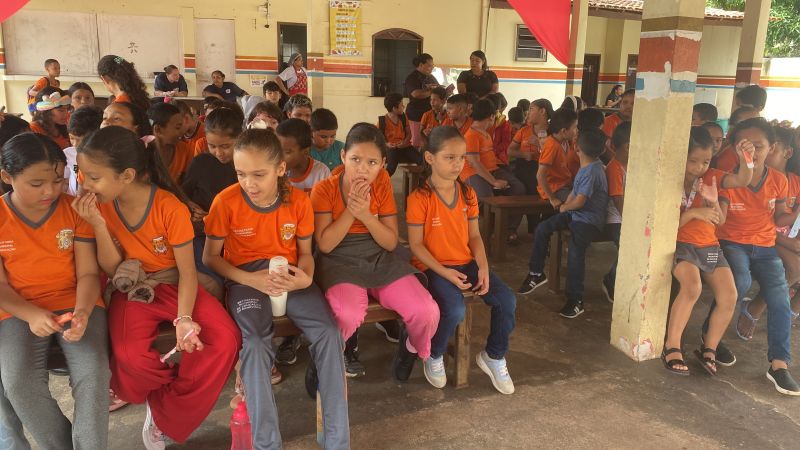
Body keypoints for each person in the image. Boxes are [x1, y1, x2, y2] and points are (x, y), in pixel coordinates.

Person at [72, 126, 241, 447]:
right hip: (132, 290)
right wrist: (96, 224)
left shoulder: (169, 207)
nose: (84, 184)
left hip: (176, 284)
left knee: (226, 340)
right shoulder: (99, 207)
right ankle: (164, 395)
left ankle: (167, 409)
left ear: (126, 175)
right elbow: (113, 269)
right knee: (130, 358)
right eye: (82, 173)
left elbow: (188, 273)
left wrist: (184, 319)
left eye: (93, 177)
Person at [203, 128, 349, 448]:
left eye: (259, 174)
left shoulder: (298, 201)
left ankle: (338, 441)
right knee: (255, 342)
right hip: (245, 279)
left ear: (280, 169)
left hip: (290, 275)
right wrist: (249, 279)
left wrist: (306, 279)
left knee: (328, 333)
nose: (249, 183)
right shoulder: (225, 202)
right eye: (241, 174)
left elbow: (306, 254)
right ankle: (267, 444)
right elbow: (210, 257)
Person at [0, 133, 109, 450]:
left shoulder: (74, 211)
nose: (50, 191)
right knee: (18, 382)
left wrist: (84, 312)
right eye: (36, 183)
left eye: (58, 180)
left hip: (77, 302)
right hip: (18, 309)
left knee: (93, 373)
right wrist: (31, 315)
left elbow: (88, 273)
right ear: (7, 176)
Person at [310, 123, 440, 383]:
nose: (362, 168)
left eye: (372, 162)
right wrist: (352, 211)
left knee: (426, 311)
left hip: (378, 255)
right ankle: (324, 361)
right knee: (346, 314)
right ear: (343, 156)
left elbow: (390, 242)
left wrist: (367, 216)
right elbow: (325, 245)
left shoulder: (381, 184)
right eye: (355, 159)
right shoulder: (325, 189)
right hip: (338, 259)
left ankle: (409, 349)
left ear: (383, 164)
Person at [407, 125, 517, 394]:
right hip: (433, 267)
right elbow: (416, 246)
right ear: (430, 158)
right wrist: (445, 273)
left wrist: (483, 267)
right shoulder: (420, 197)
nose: (458, 164)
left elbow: (475, 236)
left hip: (466, 263)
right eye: (450, 157)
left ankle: (494, 355)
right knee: (455, 309)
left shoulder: (468, 194)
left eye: (462, 158)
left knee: (506, 300)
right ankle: (434, 353)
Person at [706, 118, 800, 395]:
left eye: (758, 146)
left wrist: (795, 214)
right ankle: (710, 336)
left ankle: (779, 364)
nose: (752, 152)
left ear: (772, 148)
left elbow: (779, 217)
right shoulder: (729, 178)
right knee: (740, 282)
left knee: (780, 297)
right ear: (735, 149)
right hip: (732, 243)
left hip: (765, 246)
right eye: (744, 146)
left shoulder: (779, 180)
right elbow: (721, 218)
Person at [663, 127, 751, 376]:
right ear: (682, 156)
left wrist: (746, 159)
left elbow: (741, 183)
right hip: (683, 246)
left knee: (730, 295)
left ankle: (709, 348)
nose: (699, 167)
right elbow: (665, 228)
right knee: (692, 288)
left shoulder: (712, 178)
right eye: (693, 160)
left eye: (705, 161)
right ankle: (672, 346)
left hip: (710, 248)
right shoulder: (669, 179)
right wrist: (693, 213)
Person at [518, 128, 609, 319]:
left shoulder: (593, 170)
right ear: (602, 150)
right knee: (543, 228)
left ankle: (576, 300)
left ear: (577, 148)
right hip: (575, 214)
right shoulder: (587, 167)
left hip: (589, 221)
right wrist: (566, 206)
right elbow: (574, 193)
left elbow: (580, 201)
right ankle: (536, 272)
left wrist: (564, 207)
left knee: (575, 251)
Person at [736, 126, 800, 340]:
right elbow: (760, 223)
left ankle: (791, 310)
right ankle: (755, 307)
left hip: (786, 237)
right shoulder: (749, 177)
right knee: (795, 266)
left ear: (786, 152)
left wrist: (795, 240)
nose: (757, 153)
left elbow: (795, 218)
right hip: (765, 237)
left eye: (766, 148)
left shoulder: (794, 182)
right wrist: (788, 242)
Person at [182, 106, 241, 286]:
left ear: (240, 138)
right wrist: (190, 205)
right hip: (205, 235)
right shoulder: (201, 163)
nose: (218, 152)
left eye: (225, 146)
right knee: (211, 283)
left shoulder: (248, 166)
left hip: (238, 235)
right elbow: (183, 194)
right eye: (212, 146)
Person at [462, 99, 526, 243]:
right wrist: (494, 182)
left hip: (493, 170)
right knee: (488, 198)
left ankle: (509, 229)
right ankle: (487, 234)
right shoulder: (471, 135)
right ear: (491, 116)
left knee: (518, 188)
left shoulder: (485, 133)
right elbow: (474, 163)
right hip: (473, 174)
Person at [601, 121, 631, 304]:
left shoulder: (631, 165)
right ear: (627, 146)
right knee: (629, 248)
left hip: (629, 218)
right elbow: (618, 199)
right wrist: (631, 222)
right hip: (616, 220)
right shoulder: (615, 168)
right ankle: (610, 280)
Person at [509, 99, 553, 196]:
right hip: (524, 168)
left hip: (546, 168)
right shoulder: (524, 130)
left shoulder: (554, 132)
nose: (527, 113)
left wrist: (539, 144)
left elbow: (559, 154)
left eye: (531, 109)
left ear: (542, 111)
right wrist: (524, 154)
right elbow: (510, 151)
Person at [536, 108, 579, 206]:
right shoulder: (552, 146)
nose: (577, 130)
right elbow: (540, 175)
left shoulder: (565, 142)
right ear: (564, 131)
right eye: (575, 128)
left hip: (565, 185)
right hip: (554, 189)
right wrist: (552, 198)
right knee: (579, 202)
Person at [278, 118, 331, 194]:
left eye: (287, 152)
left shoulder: (322, 173)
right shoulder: (274, 172)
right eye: (277, 149)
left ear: (305, 151)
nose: (279, 156)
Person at [404, 53, 445, 149]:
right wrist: (432, 91)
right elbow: (416, 94)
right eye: (429, 65)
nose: (432, 67)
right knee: (417, 142)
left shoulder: (431, 77)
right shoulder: (412, 77)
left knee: (431, 141)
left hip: (431, 114)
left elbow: (438, 92)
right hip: (416, 115)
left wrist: (445, 92)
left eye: (432, 65)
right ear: (421, 65)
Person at [148, 102, 194, 184]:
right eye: (178, 127)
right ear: (158, 129)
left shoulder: (185, 150)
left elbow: (187, 185)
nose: (182, 131)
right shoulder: (140, 152)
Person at [378, 92, 421, 175]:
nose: (404, 107)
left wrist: (404, 143)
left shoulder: (403, 117)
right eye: (401, 105)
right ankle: (383, 180)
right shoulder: (382, 121)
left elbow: (409, 134)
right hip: (392, 148)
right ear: (394, 108)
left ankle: (422, 180)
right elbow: (379, 138)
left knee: (421, 160)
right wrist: (387, 144)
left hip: (405, 146)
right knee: (391, 167)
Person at [65, 106, 103, 195]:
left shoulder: (103, 158)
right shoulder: (67, 154)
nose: (75, 144)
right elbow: (65, 181)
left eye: (80, 140)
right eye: (72, 138)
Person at [712, 106, 760, 173]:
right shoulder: (730, 155)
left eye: (759, 123)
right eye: (749, 124)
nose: (758, 128)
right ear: (733, 128)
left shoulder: (757, 148)